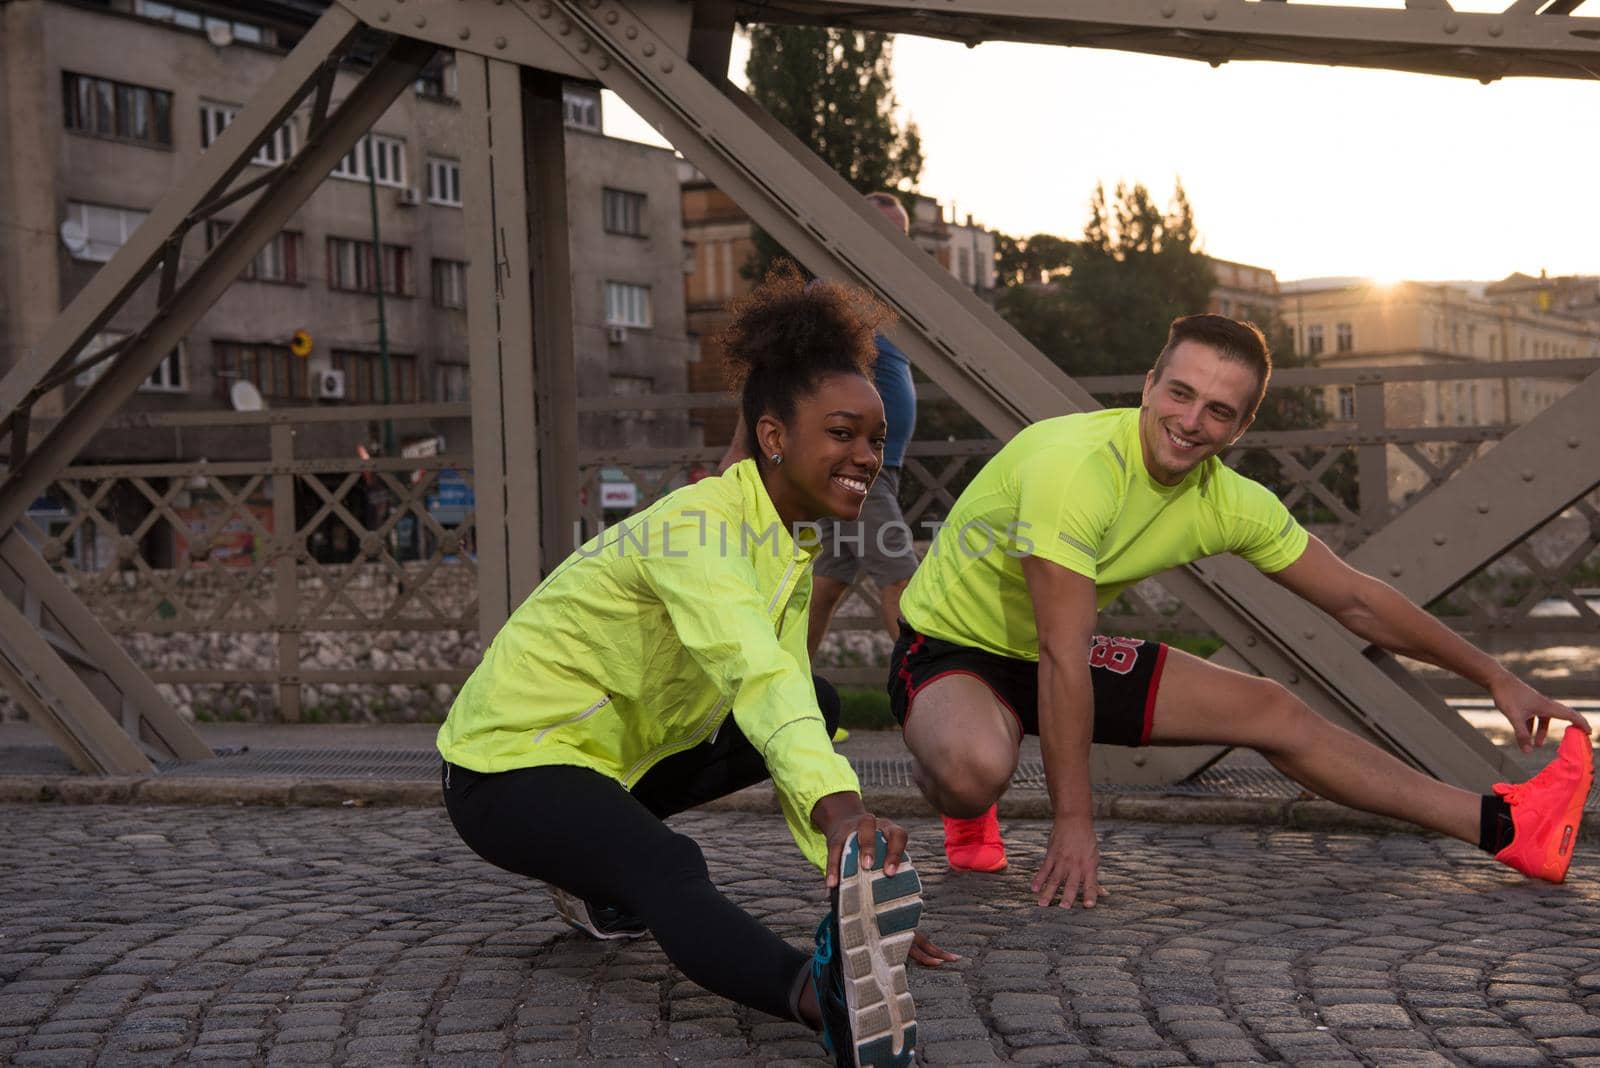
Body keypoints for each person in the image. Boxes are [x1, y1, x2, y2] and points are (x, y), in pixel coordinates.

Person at [893, 313, 1594, 903]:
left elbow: (1356, 600)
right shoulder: (1075, 469)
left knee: (1272, 708)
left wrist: (1495, 676)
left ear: (1240, 427)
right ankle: (969, 806)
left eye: (1218, 411)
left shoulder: (1229, 503)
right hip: (951, 647)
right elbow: (1060, 654)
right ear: (1149, 385)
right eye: (1180, 393)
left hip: (1054, 650)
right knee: (974, 768)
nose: (1190, 422)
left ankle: (1507, 826)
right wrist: (1073, 822)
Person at [438, 264, 936, 1067]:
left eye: (876, 438)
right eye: (842, 433)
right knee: (668, 865)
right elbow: (755, 678)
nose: (867, 456)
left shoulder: (786, 539)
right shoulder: (699, 531)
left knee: (816, 697)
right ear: (775, 437)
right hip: (504, 767)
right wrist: (843, 815)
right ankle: (818, 999)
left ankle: (598, 866)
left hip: (608, 763)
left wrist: (855, 881)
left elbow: (785, 702)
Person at [721, 193, 923, 743]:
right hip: (849, 468)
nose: (890, 243)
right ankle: (929, 700)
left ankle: (787, 708)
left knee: (827, 584)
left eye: (898, 234)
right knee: (899, 573)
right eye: (880, 231)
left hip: (878, 462)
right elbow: (778, 371)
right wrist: (741, 450)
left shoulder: (890, 292)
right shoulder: (832, 292)